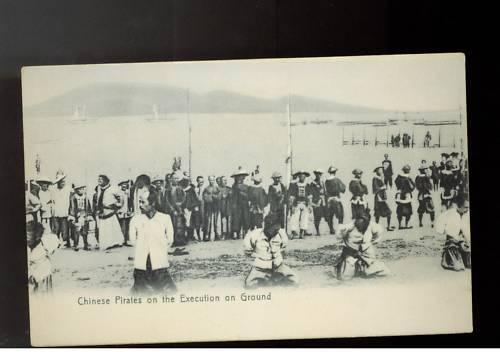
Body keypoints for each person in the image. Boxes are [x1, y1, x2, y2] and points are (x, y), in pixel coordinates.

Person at [129, 186, 177, 295]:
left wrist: (158, 248)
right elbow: (132, 240)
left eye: (143, 202)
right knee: (141, 291)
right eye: (139, 202)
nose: (140, 205)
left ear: (153, 203)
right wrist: (143, 247)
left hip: (159, 262)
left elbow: (170, 239)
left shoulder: (164, 218)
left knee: (165, 290)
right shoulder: (136, 220)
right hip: (142, 262)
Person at [243, 213, 299, 289]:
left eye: (278, 229)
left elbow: (283, 248)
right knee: (249, 285)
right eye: (275, 229)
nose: (276, 231)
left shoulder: (281, 234)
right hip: (260, 269)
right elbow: (248, 251)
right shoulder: (254, 235)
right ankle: (267, 280)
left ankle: (274, 279)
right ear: (268, 226)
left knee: (294, 280)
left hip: (278, 267)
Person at [334, 210, 389, 281]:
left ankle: (362, 269)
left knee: (384, 272)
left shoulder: (372, 226)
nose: (362, 223)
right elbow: (339, 235)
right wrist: (349, 247)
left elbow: (378, 234)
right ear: (356, 219)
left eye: (364, 221)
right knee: (344, 277)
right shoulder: (348, 227)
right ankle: (354, 267)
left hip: (366, 254)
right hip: (351, 254)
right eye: (360, 220)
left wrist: (368, 244)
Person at [435, 195, 470, 271]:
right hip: (453, 241)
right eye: (465, 207)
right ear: (459, 206)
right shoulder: (451, 214)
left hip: (464, 240)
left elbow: (466, 231)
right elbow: (441, 228)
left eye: (468, 207)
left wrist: (466, 241)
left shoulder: (466, 214)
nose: (467, 209)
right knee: (456, 263)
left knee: (468, 259)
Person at [95, 174, 124, 251]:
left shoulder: (113, 188)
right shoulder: (99, 189)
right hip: (102, 212)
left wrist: (117, 205)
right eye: (98, 180)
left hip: (110, 212)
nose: (99, 181)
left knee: (113, 228)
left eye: (101, 179)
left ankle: (116, 243)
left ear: (106, 180)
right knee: (104, 229)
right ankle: (106, 244)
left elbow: (121, 197)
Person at [68, 183, 93, 251]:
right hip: (77, 216)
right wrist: (72, 216)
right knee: (77, 230)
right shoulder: (74, 197)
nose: (81, 190)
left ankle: (85, 244)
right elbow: (72, 207)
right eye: (79, 189)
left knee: (85, 231)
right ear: (76, 190)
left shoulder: (86, 197)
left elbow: (88, 207)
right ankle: (76, 245)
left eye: (82, 189)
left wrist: (89, 214)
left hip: (84, 215)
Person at [288, 170, 311, 239]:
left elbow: (309, 196)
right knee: (294, 217)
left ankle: (302, 233)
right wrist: (291, 205)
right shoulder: (294, 185)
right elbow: (292, 196)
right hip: (296, 203)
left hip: (305, 203)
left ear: (305, 177)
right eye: (300, 176)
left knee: (304, 218)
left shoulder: (308, 185)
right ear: (298, 177)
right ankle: (293, 232)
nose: (302, 177)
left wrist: (309, 205)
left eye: (303, 176)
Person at [168, 172, 188, 246]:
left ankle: (181, 240)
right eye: (174, 178)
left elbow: (184, 197)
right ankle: (174, 240)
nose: (176, 180)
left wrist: (181, 204)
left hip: (180, 209)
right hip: (172, 210)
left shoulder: (180, 188)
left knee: (180, 225)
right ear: (171, 179)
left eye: (177, 178)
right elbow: (167, 200)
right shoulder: (169, 189)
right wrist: (172, 209)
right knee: (173, 225)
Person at [230, 168, 251, 240]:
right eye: (238, 177)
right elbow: (233, 197)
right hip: (236, 205)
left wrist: (243, 194)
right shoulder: (234, 186)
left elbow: (249, 196)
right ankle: (236, 233)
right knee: (236, 219)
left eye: (241, 177)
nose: (239, 179)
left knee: (245, 218)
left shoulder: (246, 187)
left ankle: (245, 233)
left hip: (245, 205)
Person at [52, 173, 71, 247]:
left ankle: (66, 242)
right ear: (58, 183)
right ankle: (56, 242)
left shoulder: (68, 189)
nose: (63, 183)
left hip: (65, 212)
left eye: (64, 182)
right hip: (56, 212)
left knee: (65, 228)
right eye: (61, 182)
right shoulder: (54, 190)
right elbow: (52, 201)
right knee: (56, 228)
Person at [325, 166, 345, 235]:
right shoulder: (337, 180)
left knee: (330, 215)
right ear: (335, 172)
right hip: (336, 199)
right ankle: (340, 229)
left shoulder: (326, 181)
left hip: (329, 199)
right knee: (340, 214)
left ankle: (331, 229)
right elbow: (343, 189)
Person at [372, 166, 394, 231]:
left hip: (382, 197)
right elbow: (375, 188)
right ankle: (376, 227)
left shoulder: (381, 178)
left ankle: (388, 226)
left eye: (381, 170)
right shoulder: (375, 179)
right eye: (379, 170)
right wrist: (383, 187)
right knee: (378, 214)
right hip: (379, 198)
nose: (381, 171)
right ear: (377, 171)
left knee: (388, 212)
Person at [395, 165, 416, 229]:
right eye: (407, 170)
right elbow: (412, 187)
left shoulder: (399, 177)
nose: (408, 171)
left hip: (401, 194)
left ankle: (401, 225)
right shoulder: (407, 178)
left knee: (401, 210)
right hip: (405, 195)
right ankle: (403, 225)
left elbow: (396, 183)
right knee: (406, 210)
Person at [309, 169, 327, 236]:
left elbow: (325, 192)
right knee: (317, 217)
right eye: (317, 174)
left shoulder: (322, 182)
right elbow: (311, 193)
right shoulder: (313, 183)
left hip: (323, 201)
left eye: (320, 174)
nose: (319, 175)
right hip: (316, 202)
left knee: (326, 215)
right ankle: (317, 230)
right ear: (315, 174)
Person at [203, 175, 222, 241]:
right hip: (209, 206)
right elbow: (205, 197)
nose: (212, 181)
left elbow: (220, 196)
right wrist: (209, 198)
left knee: (216, 221)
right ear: (208, 180)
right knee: (208, 220)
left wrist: (214, 196)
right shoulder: (206, 188)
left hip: (216, 206)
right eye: (210, 180)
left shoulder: (217, 188)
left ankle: (217, 234)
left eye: (213, 180)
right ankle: (207, 235)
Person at [117, 180, 133, 247]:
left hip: (127, 212)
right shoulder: (118, 193)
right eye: (123, 185)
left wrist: (130, 210)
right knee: (122, 226)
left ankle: (126, 240)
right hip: (121, 212)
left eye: (125, 185)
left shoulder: (127, 193)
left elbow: (130, 202)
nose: (124, 186)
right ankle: (121, 241)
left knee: (127, 227)